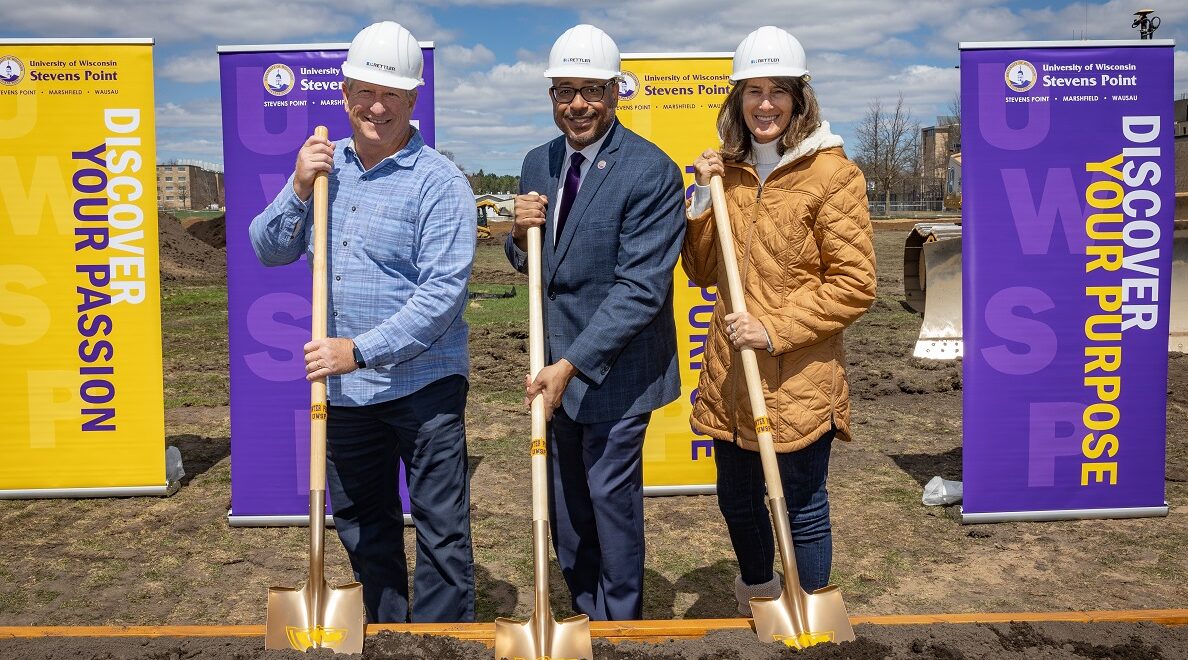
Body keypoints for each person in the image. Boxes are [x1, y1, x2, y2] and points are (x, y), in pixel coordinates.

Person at [249, 21, 476, 624]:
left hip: (424, 388)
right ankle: (389, 626)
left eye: (392, 96)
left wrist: (359, 350)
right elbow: (266, 249)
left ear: (412, 101)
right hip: (348, 396)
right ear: (346, 94)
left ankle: (442, 639)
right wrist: (298, 186)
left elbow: (442, 297)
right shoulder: (325, 172)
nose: (377, 107)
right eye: (365, 93)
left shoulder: (441, 183)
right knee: (362, 525)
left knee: (441, 528)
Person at [682, 25, 876, 617]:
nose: (765, 104)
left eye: (778, 91)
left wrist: (773, 329)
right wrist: (700, 201)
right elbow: (703, 269)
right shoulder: (730, 172)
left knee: (802, 503)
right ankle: (761, 596)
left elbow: (855, 285)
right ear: (737, 100)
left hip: (798, 376)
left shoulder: (832, 175)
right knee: (737, 501)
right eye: (752, 91)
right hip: (732, 375)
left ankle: (809, 606)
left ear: (799, 97)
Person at [505, 24, 686, 621]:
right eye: (564, 91)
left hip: (617, 365)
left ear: (615, 93)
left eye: (591, 90)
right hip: (551, 361)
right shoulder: (539, 162)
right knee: (565, 499)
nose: (577, 104)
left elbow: (640, 289)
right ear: (551, 96)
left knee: (610, 499)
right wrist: (517, 234)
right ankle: (582, 610)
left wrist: (573, 364)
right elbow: (538, 266)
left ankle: (621, 622)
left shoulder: (650, 171)